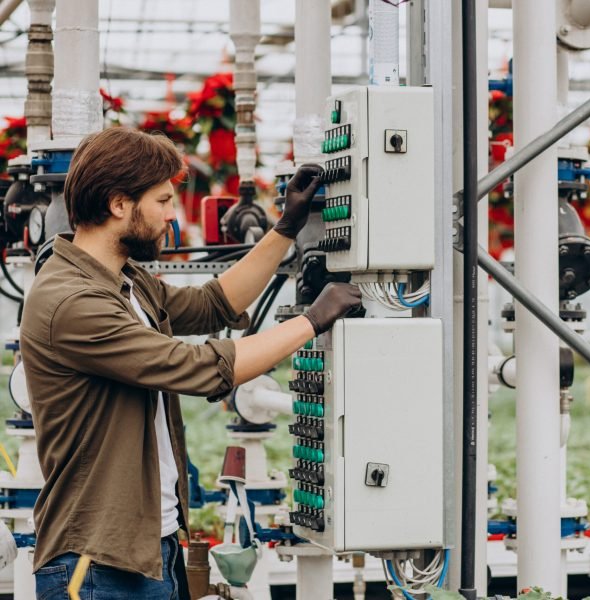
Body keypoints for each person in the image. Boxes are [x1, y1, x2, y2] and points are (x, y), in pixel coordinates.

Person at [19, 127, 361, 600]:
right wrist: (312, 321)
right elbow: (197, 366)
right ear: (120, 204)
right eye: (162, 201)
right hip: (95, 566)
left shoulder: (124, 281)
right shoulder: (72, 301)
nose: (170, 215)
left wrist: (287, 228)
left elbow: (212, 303)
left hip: (149, 550)